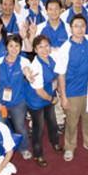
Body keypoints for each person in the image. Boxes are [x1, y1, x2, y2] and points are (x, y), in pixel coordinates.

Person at [54, 15, 88, 161]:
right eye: (76, 26)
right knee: (71, 123)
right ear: (71, 28)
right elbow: (61, 75)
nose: (80, 29)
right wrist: (64, 97)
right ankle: (70, 147)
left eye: (82, 26)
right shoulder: (65, 48)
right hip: (72, 93)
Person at [22, 34, 63, 167]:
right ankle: (38, 154)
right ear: (35, 49)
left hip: (48, 95)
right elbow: (39, 91)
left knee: (52, 121)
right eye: (40, 47)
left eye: (47, 46)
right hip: (37, 100)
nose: (45, 49)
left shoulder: (51, 59)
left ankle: (55, 142)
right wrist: (52, 98)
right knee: (38, 127)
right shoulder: (36, 66)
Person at [0, 34, 32, 161]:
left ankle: (24, 148)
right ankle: (5, 149)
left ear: (20, 47)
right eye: (11, 46)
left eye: (17, 46)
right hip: (1, 103)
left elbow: (28, 73)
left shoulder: (24, 62)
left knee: (20, 127)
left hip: (18, 102)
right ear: (6, 47)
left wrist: (28, 75)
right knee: (2, 127)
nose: (14, 49)